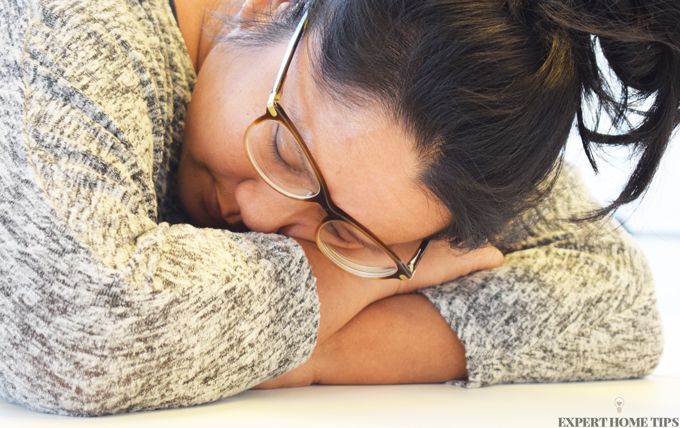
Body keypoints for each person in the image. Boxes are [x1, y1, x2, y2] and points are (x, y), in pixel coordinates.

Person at [0, 0, 676, 417]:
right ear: (272, 7)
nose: (265, 221)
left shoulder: (426, 151)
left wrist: (314, 356)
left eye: (344, 231)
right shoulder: (78, 23)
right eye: (284, 149)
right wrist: (353, 279)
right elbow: (76, 325)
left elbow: (616, 304)